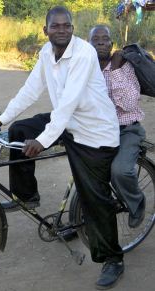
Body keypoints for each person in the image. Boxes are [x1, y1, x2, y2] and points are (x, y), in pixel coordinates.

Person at [0, 6, 123, 289]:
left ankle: (113, 259)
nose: (61, 29)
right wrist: (2, 118)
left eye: (67, 25)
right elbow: (30, 89)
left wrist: (44, 140)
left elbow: (69, 101)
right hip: (68, 122)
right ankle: (27, 195)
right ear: (45, 29)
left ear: (72, 28)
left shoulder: (84, 53)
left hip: (94, 132)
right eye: (55, 25)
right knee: (20, 130)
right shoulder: (46, 54)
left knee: (94, 200)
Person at [88, 25, 146, 229]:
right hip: (100, 131)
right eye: (96, 39)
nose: (101, 42)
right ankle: (77, 219)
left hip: (127, 130)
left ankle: (136, 203)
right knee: (84, 171)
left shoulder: (124, 67)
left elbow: (130, 104)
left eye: (105, 39)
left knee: (120, 171)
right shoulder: (86, 69)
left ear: (112, 45)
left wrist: (114, 70)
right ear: (88, 45)